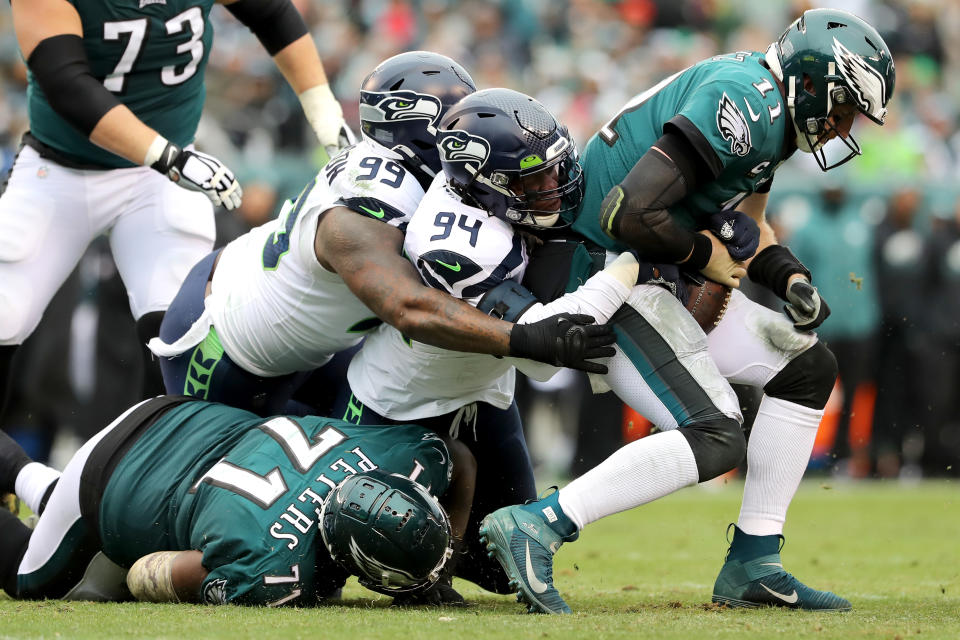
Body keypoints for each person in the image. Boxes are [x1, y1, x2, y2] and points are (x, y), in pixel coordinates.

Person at [481, 8, 895, 613]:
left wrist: (791, 279)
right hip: (606, 273)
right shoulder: (744, 102)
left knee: (806, 368)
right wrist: (704, 253)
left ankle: (755, 559)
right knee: (716, 432)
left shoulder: (768, 114)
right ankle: (539, 523)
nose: (840, 128)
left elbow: (749, 229)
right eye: (841, 109)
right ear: (810, 83)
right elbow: (627, 213)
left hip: (650, 274)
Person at [148, 52, 615, 418]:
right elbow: (407, 306)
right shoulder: (363, 211)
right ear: (418, 133)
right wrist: (521, 338)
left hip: (307, 339)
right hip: (227, 349)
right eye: (457, 122)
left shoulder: (428, 179)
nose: (471, 128)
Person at [335, 87, 637, 593]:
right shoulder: (455, 242)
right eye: (534, 177)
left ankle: (453, 554)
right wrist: (632, 267)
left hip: (483, 391)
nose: (553, 185)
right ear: (486, 182)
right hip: (405, 401)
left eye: (554, 168)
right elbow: (541, 350)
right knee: (380, 560)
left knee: (500, 569)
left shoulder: (495, 201)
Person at [0, 0, 353, 421]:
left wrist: (322, 109)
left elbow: (271, 14)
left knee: (178, 332)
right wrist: (167, 156)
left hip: (159, 176)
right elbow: (66, 84)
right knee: (6, 311)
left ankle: (151, 467)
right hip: (63, 169)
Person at [0, 396, 474, 606]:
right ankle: (28, 479)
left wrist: (443, 556)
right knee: (31, 582)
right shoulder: (275, 573)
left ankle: (22, 475)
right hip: (109, 478)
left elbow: (458, 456)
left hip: (178, 412)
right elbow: (149, 575)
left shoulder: (400, 454)